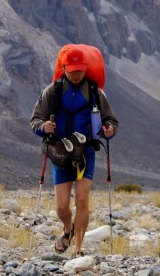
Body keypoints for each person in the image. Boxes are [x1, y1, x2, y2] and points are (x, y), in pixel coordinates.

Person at [31, 46, 118, 255]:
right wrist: (44, 127)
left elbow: (111, 121)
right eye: (72, 70)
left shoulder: (96, 92)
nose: (76, 73)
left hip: (86, 151)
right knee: (61, 207)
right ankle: (67, 230)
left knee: (81, 199)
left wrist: (109, 130)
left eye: (80, 69)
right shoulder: (53, 91)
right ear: (64, 68)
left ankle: (78, 249)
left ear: (85, 68)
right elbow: (35, 120)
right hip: (60, 152)